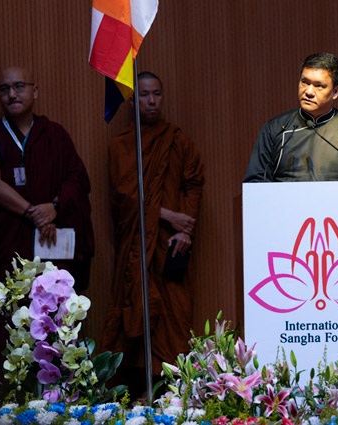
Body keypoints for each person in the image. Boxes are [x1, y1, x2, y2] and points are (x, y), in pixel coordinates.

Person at [101, 71, 204, 397]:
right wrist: (167, 215)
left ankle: (170, 391)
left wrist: (185, 227)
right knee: (138, 308)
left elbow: (193, 183)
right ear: (133, 100)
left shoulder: (178, 140)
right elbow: (125, 198)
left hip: (171, 245)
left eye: (156, 94)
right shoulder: (121, 146)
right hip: (137, 246)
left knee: (173, 315)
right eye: (144, 95)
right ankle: (135, 390)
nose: (151, 101)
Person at [0, 66, 95, 290]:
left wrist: (55, 206)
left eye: (19, 87)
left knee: (53, 314)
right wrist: (34, 214)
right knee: (11, 314)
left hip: (52, 241)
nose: (12, 94)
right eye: (4, 89)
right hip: (9, 244)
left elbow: (78, 178)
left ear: (34, 91)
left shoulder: (54, 134)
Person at [244, 52, 338, 182]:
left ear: (335, 92)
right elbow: (256, 184)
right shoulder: (276, 129)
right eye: (304, 82)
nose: (308, 92)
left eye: (319, 86)